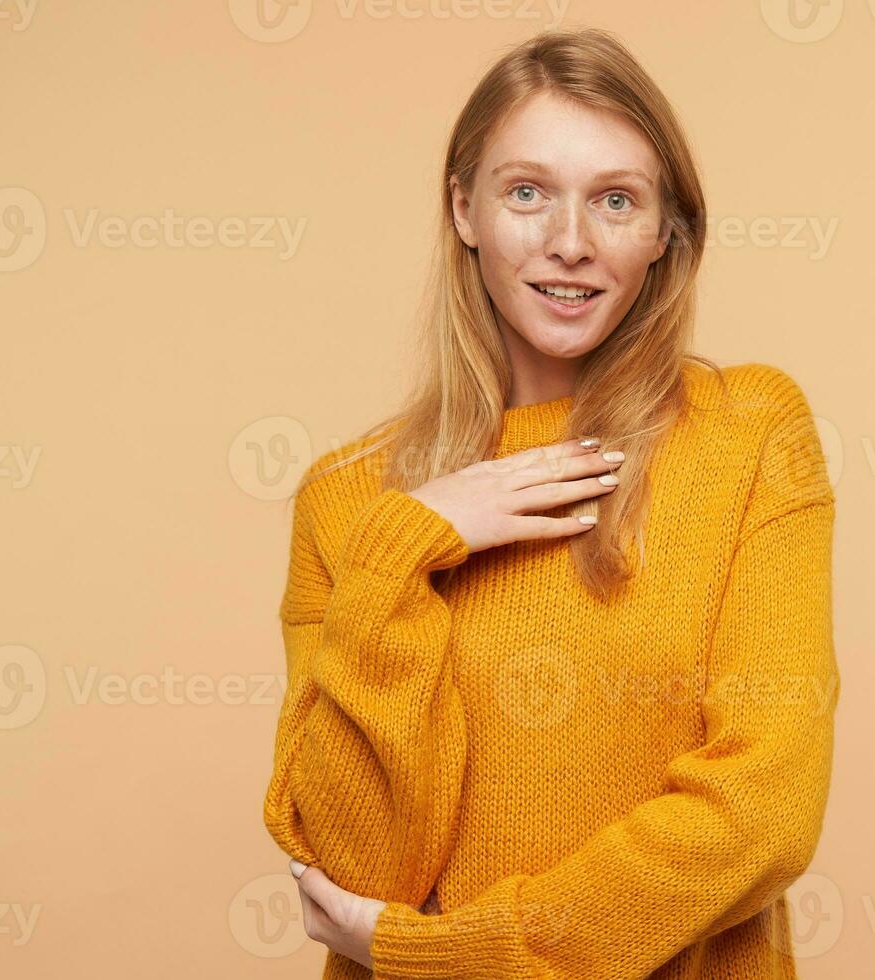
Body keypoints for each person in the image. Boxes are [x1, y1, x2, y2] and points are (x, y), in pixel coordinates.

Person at [262, 25, 839, 980]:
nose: (570, 244)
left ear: (664, 234)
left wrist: (447, 957)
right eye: (527, 192)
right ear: (464, 208)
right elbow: (355, 867)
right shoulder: (349, 501)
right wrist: (406, 546)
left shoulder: (750, 434)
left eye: (616, 200)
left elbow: (762, 812)